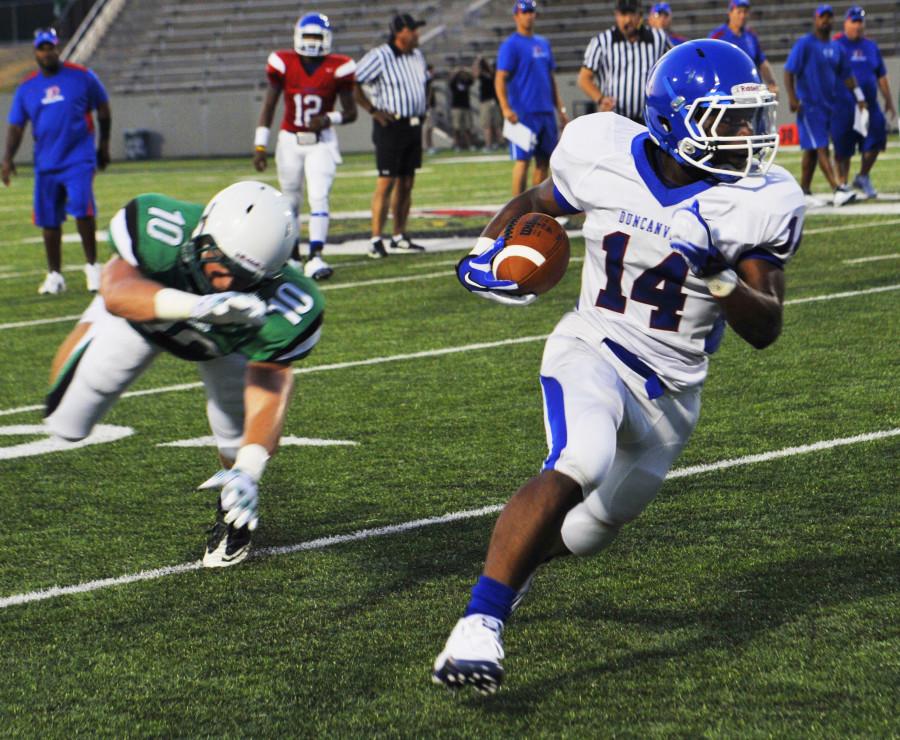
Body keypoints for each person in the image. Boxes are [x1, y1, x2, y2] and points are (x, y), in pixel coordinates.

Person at [434, 39, 805, 695]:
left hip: (672, 396)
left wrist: (718, 276)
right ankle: (478, 625)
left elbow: (767, 327)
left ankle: (507, 575)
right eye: (729, 120)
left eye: (751, 118)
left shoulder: (756, 200)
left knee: (588, 529)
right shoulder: (602, 149)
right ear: (676, 119)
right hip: (595, 348)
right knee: (580, 459)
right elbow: (535, 206)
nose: (749, 135)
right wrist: (488, 253)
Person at [44, 182, 325, 567]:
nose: (226, 281)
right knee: (65, 423)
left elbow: (271, 380)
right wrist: (199, 306)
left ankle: (231, 514)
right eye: (221, 265)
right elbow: (116, 288)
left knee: (239, 440)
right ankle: (93, 328)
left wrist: (249, 468)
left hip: (226, 346)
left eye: (243, 277)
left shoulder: (290, 301)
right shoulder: (164, 228)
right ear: (203, 232)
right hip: (148, 314)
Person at [2, 27, 111, 295]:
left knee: (83, 210)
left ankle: (92, 267)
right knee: (48, 221)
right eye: (42, 48)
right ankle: (55, 275)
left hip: (78, 159)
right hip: (46, 163)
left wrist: (104, 147)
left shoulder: (82, 77)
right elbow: (17, 126)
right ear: (35, 52)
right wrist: (7, 159)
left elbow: (103, 108)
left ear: (58, 48)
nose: (47, 52)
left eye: (50, 47)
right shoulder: (27, 87)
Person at [254, 13, 357, 281]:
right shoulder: (284, 63)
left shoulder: (339, 67)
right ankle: (293, 257)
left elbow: (351, 112)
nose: (312, 42)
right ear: (298, 37)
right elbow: (269, 106)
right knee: (290, 201)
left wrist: (327, 119)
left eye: (317, 36)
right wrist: (260, 145)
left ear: (327, 38)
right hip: (290, 140)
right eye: (308, 36)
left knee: (319, 196)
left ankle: (316, 256)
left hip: (321, 142)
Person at [355, 13, 430, 258]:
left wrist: (424, 106)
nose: (417, 34)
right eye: (413, 29)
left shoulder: (417, 55)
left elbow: (424, 83)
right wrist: (373, 110)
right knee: (386, 182)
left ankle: (399, 235)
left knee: (407, 183)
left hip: (413, 125)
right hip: (391, 126)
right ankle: (376, 239)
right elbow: (353, 81)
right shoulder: (380, 55)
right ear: (400, 32)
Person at [784, 4, 865, 208]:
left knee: (811, 151)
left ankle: (804, 191)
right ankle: (837, 188)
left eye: (829, 17)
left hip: (827, 106)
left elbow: (847, 74)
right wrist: (793, 98)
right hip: (809, 105)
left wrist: (859, 95)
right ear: (816, 19)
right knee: (821, 147)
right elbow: (788, 71)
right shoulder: (805, 44)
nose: (826, 21)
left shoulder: (835, 47)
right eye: (822, 17)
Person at [496, 0, 569, 196]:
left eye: (531, 12)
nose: (529, 15)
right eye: (525, 12)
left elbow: (550, 79)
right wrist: (505, 108)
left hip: (545, 111)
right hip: (523, 113)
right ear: (516, 16)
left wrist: (560, 110)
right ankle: (516, 212)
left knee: (545, 161)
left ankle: (537, 211)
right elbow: (500, 78)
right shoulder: (510, 45)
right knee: (522, 161)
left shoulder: (543, 43)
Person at [831, 5, 896, 199]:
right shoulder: (836, 44)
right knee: (844, 148)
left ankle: (863, 176)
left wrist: (889, 100)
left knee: (877, 140)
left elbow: (881, 75)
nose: (858, 26)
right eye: (854, 21)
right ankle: (843, 185)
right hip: (843, 105)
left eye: (861, 22)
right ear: (846, 23)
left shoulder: (871, 46)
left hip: (869, 104)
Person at [579, 0, 670, 125]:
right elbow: (584, 78)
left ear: (640, 15)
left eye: (632, 14)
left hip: (649, 120)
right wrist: (601, 99)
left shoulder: (658, 38)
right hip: (614, 119)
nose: (628, 20)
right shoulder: (602, 41)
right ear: (616, 15)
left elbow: (672, 67)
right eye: (623, 14)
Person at [710, 0, 778, 96]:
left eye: (745, 12)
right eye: (739, 12)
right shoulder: (718, 36)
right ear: (730, 13)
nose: (742, 16)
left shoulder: (751, 35)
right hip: (729, 92)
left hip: (753, 90)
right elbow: (710, 64)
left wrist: (772, 83)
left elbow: (761, 61)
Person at [473, 56, 502, 151]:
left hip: (486, 102)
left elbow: (475, 73)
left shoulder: (487, 75)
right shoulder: (494, 75)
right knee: (496, 125)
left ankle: (489, 145)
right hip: (494, 102)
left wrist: (478, 61)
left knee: (487, 125)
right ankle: (500, 144)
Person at [449, 65, 475, 151]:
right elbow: (451, 81)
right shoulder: (454, 83)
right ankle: (457, 145)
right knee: (457, 128)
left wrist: (466, 71)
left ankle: (470, 145)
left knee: (468, 127)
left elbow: (472, 80)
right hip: (456, 107)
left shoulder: (465, 81)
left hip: (466, 106)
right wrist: (456, 72)